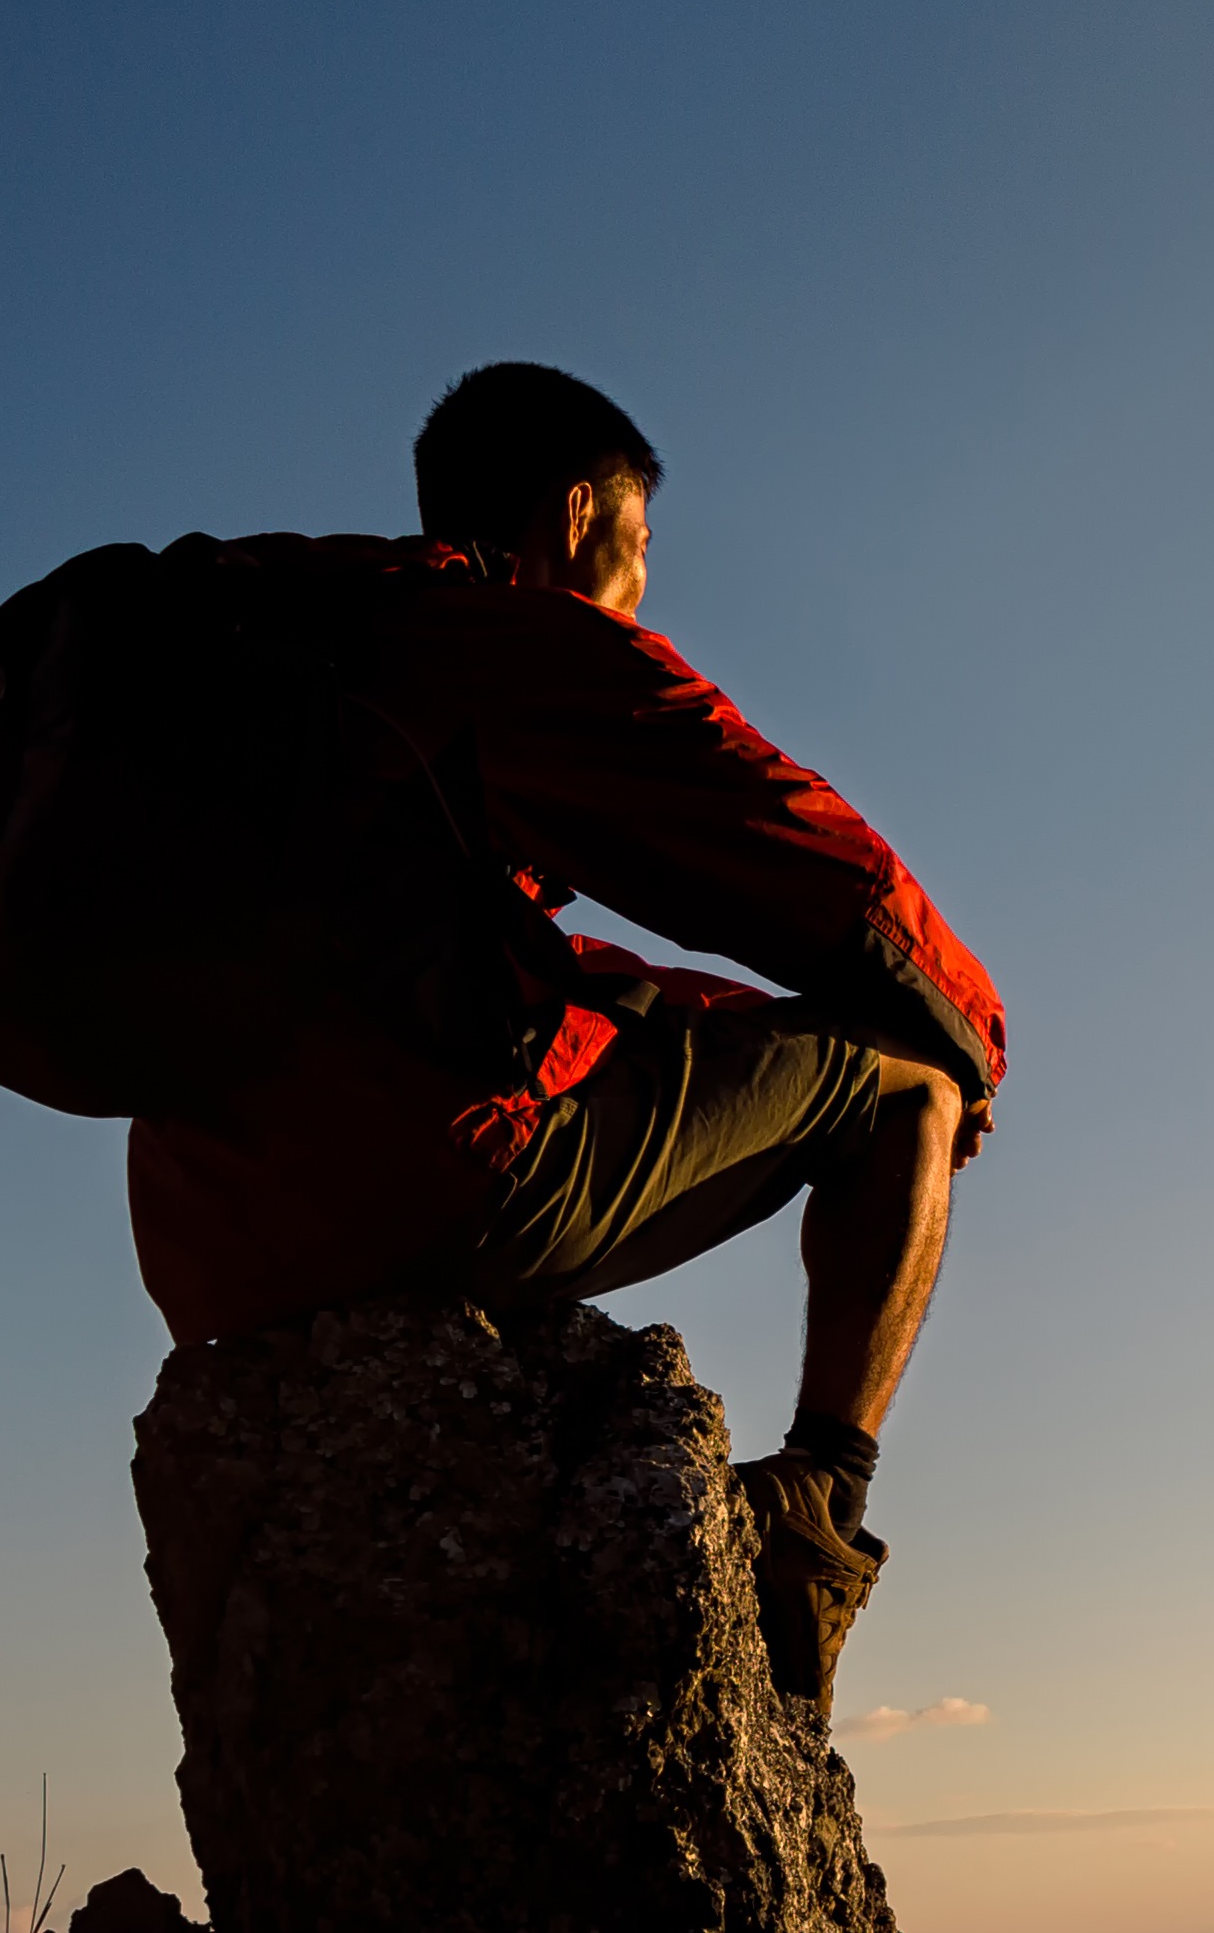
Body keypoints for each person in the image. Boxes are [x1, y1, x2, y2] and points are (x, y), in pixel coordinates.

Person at [123, 361, 1003, 1718]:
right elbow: (784, 849)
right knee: (914, 1090)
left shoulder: (290, 659)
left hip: (202, 1243)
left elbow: (466, 961)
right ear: (580, 510)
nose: (644, 582)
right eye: (640, 546)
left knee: (657, 1020)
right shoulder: (498, 641)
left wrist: (700, 1012)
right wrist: (973, 1034)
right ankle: (821, 1509)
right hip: (419, 1184)